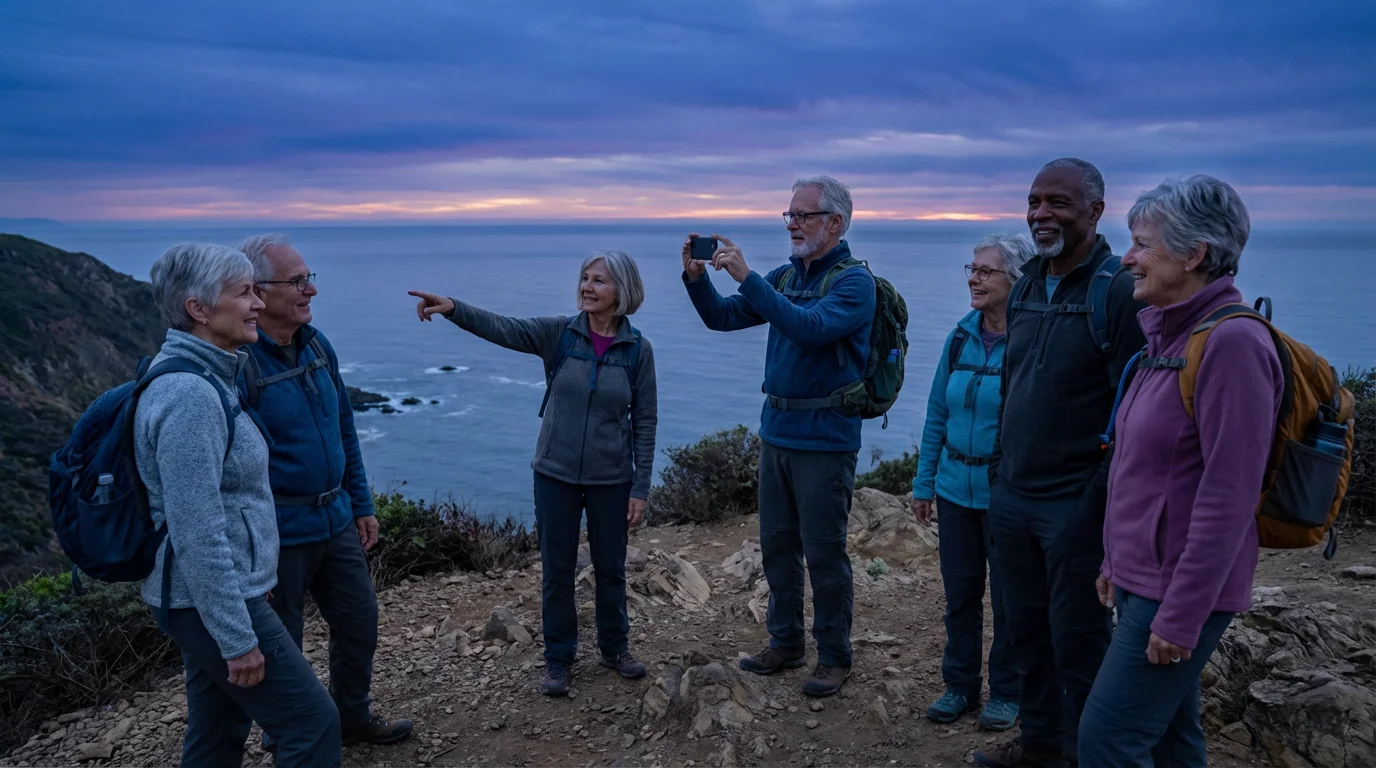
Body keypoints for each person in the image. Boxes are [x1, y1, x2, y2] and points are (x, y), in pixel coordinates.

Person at [1078, 176, 1280, 766]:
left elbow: (1228, 498)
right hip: (1148, 578)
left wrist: (1183, 614)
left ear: (1194, 255)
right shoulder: (1168, 339)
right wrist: (1118, 562)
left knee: (1107, 740)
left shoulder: (1232, 344)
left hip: (1179, 589)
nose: (1128, 257)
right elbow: (1142, 471)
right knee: (1171, 740)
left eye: (1143, 244)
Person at [408, 249, 657, 697]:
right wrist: (454, 309)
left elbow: (646, 419)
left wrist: (640, 486)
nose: (587, 286)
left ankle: (615, 649)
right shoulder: (558, 334)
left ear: (622, 290)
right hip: (555, 473)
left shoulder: (637, 350)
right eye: (584, 277)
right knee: (557, 571)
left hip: (611, 478)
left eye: (599, 280)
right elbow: (505, 328)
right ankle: (559, 660)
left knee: (611, 569)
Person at [137, 243, 341, 768]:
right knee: (311, 722)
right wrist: (235, 636)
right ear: (198, 309)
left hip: (208, 595)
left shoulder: (212, 377)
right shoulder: (190, 397)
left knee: (218, 731)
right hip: (206, 600)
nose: (256, 303)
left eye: (255, 289)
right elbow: (197, 531)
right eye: (244, 292)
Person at [975, 159, 1148, 768]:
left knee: (1078, 640)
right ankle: (1041, 744)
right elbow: (1014, 384)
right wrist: (1000, 471)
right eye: (1034, 201)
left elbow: (1133, 413)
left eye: (1058, 203)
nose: (1041, 214)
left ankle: (1081, 753)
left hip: (1077, 502)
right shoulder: (1023, 286)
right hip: (1015, 495)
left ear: (1095, 211)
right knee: (1025, 631)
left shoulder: (1118, 291)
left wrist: (1091, 505)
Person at [682, 175, 875, 698]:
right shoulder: (784, 277)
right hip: (779, 431)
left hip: (826, 438)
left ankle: (834, 656)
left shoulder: (855, 283)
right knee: (777, 546)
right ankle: (785, 642)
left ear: (835, 222)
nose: (792, 224)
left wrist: (748, 279)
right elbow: (722, 319)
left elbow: (808, 327)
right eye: (788, 215)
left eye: (802, 216)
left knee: (824, 552)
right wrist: (698, 279)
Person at [236, 234, 413, 748]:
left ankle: (351, 716)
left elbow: (343, 428)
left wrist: (361, 504)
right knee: (283, 641)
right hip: (281, 531)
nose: (310, 290)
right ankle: (287, 734)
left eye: (310, 277)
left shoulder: (316, 345)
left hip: (334, 517)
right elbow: (239, 472)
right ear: (257, 291)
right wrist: (255, 547)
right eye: (297, 281)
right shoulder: (243, 364)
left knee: (360, 618)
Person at [913, 232, 1032, 731]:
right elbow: (938, 408)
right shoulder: (960, 335)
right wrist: (924, 482)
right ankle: (959, 685)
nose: (974, 279)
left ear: (1015, 280)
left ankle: (1008, 691)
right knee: (960, 594)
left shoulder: (1029, 339)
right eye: (972, 269)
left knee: (1008, 598)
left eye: (986, 271)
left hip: (1004, 493)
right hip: (953, 489)